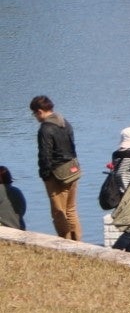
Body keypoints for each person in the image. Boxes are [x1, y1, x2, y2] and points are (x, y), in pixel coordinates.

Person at [30, 95, 81, 241]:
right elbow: (72, 147)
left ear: (39, 111)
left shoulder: (45, 129)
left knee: (58, 212)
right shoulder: (65, 123)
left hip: (57, 175)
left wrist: (45, 175)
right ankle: (78, 243)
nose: (35, 117)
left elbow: (45, 155)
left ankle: (65, 244)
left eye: (34, 114)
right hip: (73, 170)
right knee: (71, 210)